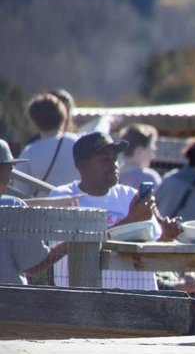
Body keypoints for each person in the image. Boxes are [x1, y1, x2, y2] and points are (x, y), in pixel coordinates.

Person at [47, 131, 181, 290]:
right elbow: (74, 249)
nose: (113, 165)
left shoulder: (130, 195)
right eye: (104, 159)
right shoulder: (63, 197)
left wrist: (166, 236)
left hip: (141, 300)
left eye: (115, 158)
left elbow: (153, 248)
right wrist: (131, 221)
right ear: (82, 166)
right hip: (87, 299)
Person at [0, 139, 68, 284]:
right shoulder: (12, 206)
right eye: (9, 169)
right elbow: (33, 265)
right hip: (9, 301)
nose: (11, 180)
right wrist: (71, 242)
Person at [19, 93, 79, 187]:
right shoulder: (79, 143)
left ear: (34, 121)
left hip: (45, 201)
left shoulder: (28, 152)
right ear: (63, 116)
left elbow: (21, 191)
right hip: (79, 201)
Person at [117, 123, 162, 191]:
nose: (153, 156)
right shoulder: (149, 178)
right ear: (139, 150)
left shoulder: (113, 175)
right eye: (151, 150)